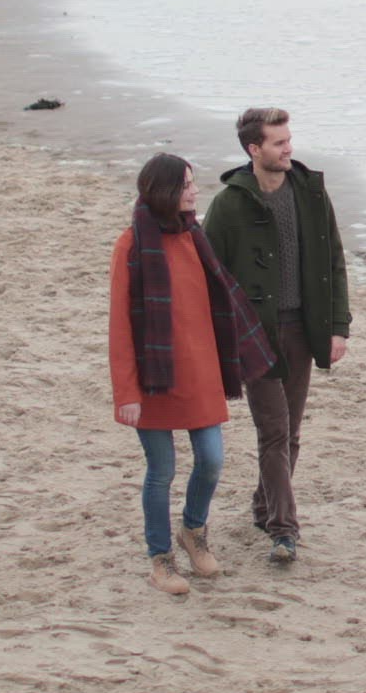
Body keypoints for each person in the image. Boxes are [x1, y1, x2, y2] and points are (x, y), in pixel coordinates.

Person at [109, 153, 277, 594]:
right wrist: (127, 392)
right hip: (153, 378)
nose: (194, 190)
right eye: (186, 184)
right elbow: (121, 325)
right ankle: (161, 559)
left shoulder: (195, 238)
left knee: (212, 459)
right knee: (161, 471)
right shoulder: (131, 246)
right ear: (165, 190)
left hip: (200, 372)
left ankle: (193, 531)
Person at [203, 107, 352, 564]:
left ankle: (263, 506)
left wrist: (338, 327)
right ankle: (284, 531)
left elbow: (334, 262)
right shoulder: (229, 205)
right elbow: (209, 276)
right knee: (274, 430)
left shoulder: (310, 193)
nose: (289, 149)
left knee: (291, 433)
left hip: (303, 331)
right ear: (255, 149)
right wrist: (221, 339)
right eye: (279, 142)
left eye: (289, 140)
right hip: (255, 335)